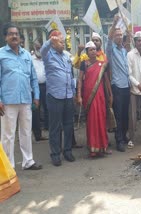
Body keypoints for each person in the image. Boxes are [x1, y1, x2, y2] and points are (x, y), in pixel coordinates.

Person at [0, 23, 42, 170]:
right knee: (8, 135)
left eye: (16, 34)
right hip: (7, 101)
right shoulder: (1, 54)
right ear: (6, 37)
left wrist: (36, 96)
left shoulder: (26, 55)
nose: (14, 36)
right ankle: (8, 166)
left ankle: (28, 161)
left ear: (19, 37)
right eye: (11, 34)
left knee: (25, 131)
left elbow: (34, 78)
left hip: (25, 99)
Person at [41, 30, 76, 166]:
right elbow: (43, 49)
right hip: (55, 96)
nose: (63, 44)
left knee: (68, 125)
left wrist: (73, 92)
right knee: (55, 126)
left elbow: (70, 74)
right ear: (54, 43)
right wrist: (51, 41)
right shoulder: (47, 55)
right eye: (60, 42)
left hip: (68, 95)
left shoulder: (67, 55)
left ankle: (67, 151)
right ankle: (55, 154)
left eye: (63, 42)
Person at [76, 41, 112, 157]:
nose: (93, 51)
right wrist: (79, 95)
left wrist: (110, 95)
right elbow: (80, 80)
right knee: (92, 122)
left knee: (101, 120)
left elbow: (106, 81)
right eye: (90, 49)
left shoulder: (103, 64)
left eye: (94, 49)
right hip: (89, 97)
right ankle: (93, 148)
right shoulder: (84, 64)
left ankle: (103, 146)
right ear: (86, 52)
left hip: (100, 96)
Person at [106, 15, 130, 152]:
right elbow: (108, 40)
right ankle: (119, 140)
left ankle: (124, 135)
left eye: (121, 35)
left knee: (126, 114)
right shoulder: (111, 50)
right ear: (114, 37)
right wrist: (114, 23)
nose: (120, 37)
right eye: (117, 35)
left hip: (126, 86)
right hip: (117, 87)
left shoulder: (124, 51)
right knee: (119, 115)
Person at [31, 39, 49, 141]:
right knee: (35, 110)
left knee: (47, 108)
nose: (37, 49)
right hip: (34, 87)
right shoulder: (30, 58)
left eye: (39, 47)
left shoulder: (46, 58)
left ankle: (48, 128)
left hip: (46, 86)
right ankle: (38, 134)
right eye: (36, 47)